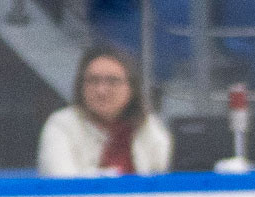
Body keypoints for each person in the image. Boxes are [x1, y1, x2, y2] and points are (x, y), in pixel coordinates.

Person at [38, 46, 170, 178]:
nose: (101, 90)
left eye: (112, 81)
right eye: (93, 81)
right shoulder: (62, 124)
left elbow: (170, 176)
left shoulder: (148, 125)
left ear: (132, 87)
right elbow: (62, 184)